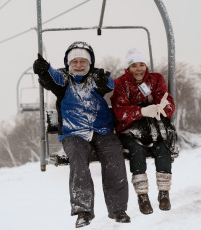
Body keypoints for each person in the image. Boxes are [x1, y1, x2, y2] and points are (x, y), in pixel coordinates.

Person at [33, 41, 131, 228]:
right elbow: (51, 78)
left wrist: (105, 79)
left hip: (101, 129)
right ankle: (83, 211)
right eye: (74, 62)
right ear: (69, 64)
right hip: (74, 132)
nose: (78, 65)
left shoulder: (95, 76)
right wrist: (44, 71)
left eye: (83, 62)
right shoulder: (63, 79)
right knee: (78, 159)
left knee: (114, 156)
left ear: (89, 63)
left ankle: (118, 209)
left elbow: (111, 85)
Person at [110, 48, 178, 215]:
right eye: (134, 66)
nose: (138, 69)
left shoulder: (155, 80)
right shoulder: (121, 83)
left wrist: (164, 108)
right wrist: (140, 112)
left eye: (141, 65)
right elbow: (120, 111)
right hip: (131, 129)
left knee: (162, 147)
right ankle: (143, 195)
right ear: (128, 68)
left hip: (154, 127)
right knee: (136, 151)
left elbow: (166, 100)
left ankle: (164, 192)